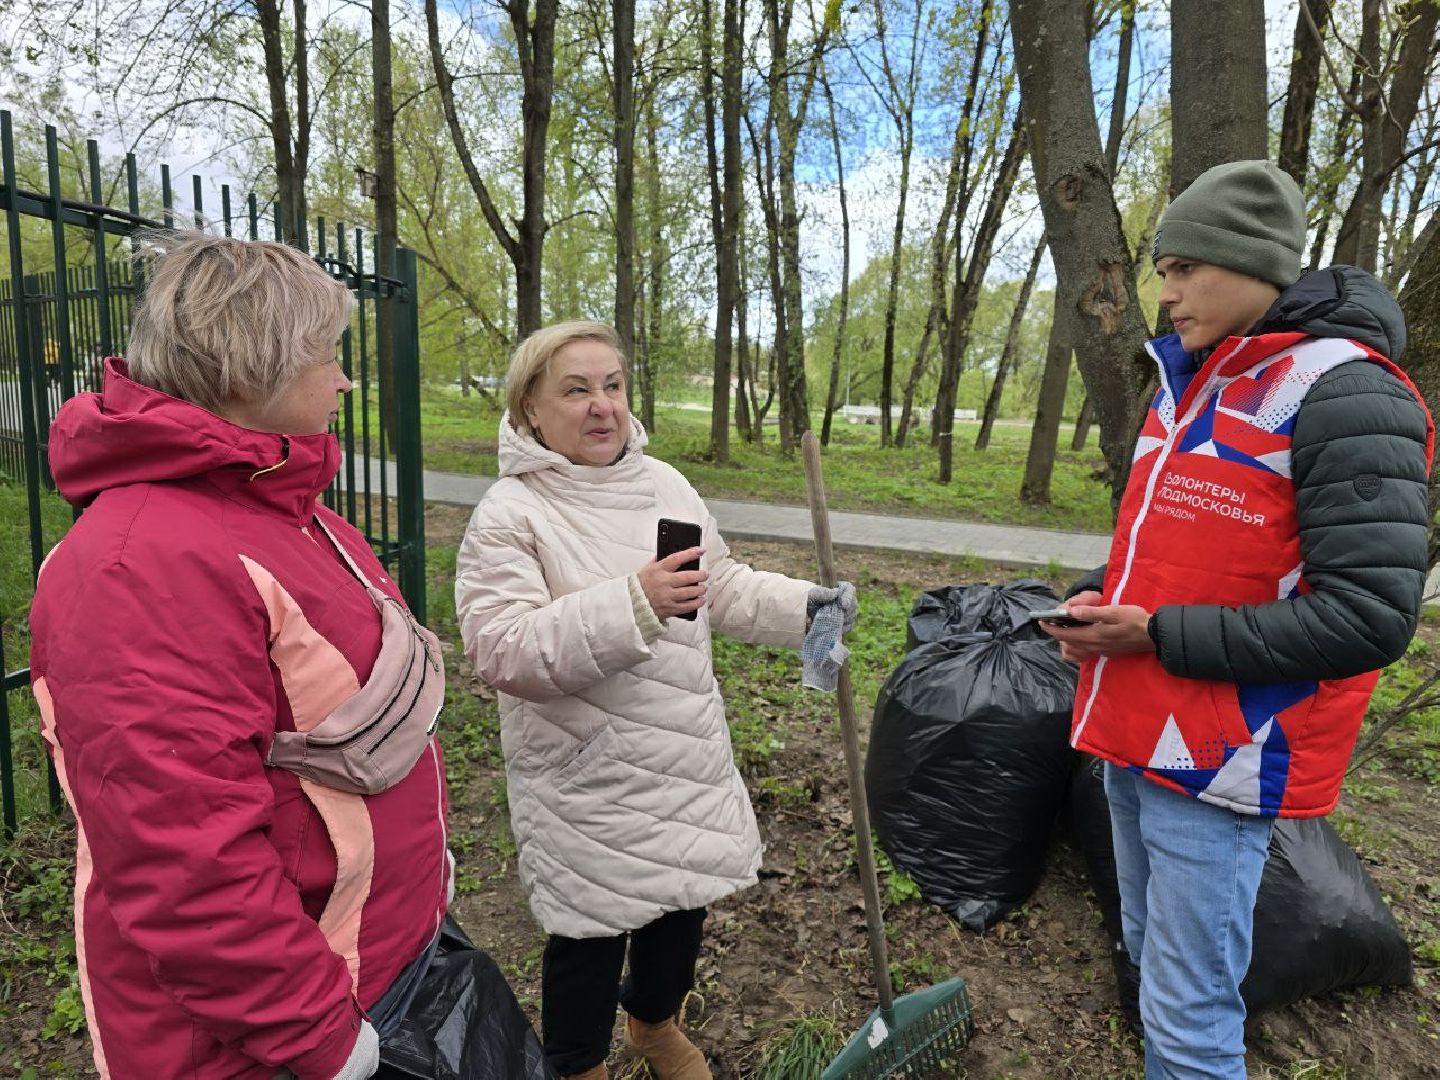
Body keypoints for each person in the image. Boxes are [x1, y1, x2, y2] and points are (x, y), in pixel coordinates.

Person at [1039, 159, 1432, 1079]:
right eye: (1162, 271)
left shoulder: (1345, 391)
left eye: (1183, 269)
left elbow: (1370, 616)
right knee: (1148, 959)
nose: (1164, 293)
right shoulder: (1193, 382)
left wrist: (1156, 634)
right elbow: (1174, 553)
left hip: (1223, 756)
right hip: (1134, 727)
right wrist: (1103, 594)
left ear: (1253, 262)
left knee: (1188, 1013)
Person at [29, 233, 452, 1079]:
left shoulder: (288, 508)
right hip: (266, 1042)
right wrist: (322, 1042)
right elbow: (183, 855)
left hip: (372, 965)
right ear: (244, 367)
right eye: (325, 358)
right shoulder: (139, 565)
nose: (344, 380)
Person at [454, 321, 857, 1080]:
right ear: (531, 409)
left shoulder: (664, 483)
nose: (602, 405)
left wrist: (808, 605)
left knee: (681, 905)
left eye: (612, 385)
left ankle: (653, 1025)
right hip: (586, 775)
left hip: (682, 750)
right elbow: (503, 649)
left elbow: (722, 586)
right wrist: (633, 602)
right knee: (591, 934)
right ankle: (578, 1064)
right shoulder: (511, 515)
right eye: (576, 390)